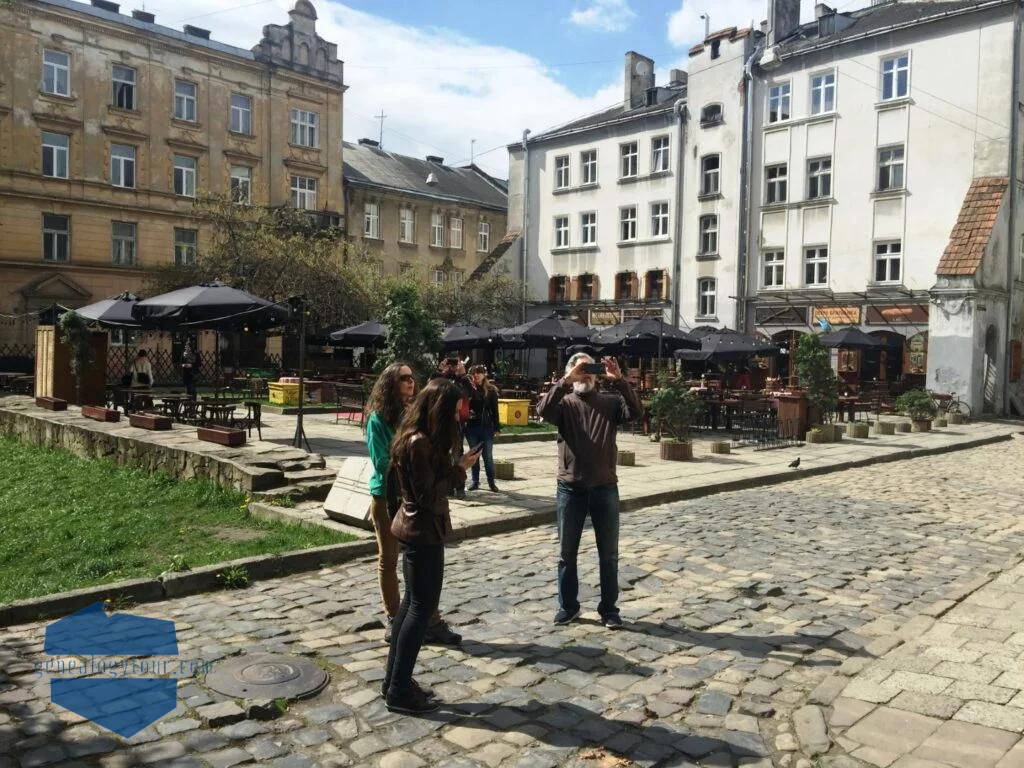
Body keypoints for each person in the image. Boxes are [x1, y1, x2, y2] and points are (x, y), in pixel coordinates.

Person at [383, 379, 482, 714]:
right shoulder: (419, 442)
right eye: (453, 411)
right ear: (439, 409)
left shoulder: (417, 437)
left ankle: (394, 681)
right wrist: (459, 470)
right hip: (421, 532)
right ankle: (399, 690)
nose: (457, 417)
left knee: (411, 606)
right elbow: (427, 495)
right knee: (420, 610)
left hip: (419, 530)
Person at [537, 352, 643, 629]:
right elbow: (542, 410)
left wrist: (619, 380)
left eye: (589, 368)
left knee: (608, 555)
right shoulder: (564, 404)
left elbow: (636, 412)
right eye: (579, 368)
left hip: (604, 487)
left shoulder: (610, 402)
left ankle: (609, 609)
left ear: (597, 374)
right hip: (570, 488)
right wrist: (565, 381)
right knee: (566, 554)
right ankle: (568, 606)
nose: (584, 373)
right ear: (570, 372)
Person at [365, 363, 462, 647]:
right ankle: (394, 616)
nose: (410, 382)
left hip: (414, 497)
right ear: (390, 384)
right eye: (403, 378)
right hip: (387, 496)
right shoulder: (378, 419)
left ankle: (430, 620)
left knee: (420, 566)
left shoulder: (415, 414)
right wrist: (414, 468)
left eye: (411, 378)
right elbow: (381, 462)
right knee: (389, 558)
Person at [431, 358, 473, 499]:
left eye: (454, 365)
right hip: (440, 422)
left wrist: (462, 375)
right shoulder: (440, 378)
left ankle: (459, 487)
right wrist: (440, 370)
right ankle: (448, 487)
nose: (452, 367)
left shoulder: (463, 380)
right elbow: (433, 387)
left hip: (456, 423)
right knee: (443, 455)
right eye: (449, 365)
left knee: (457, 455)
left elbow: (470, 393)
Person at [465, 365, 501, 492]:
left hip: (486, 427)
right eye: (473, 373)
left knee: (487, 456)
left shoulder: (490, 390)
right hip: (472, 427)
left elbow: (495, 410)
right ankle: (475, 482)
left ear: (484, 374)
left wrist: (497, 427)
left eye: (479, 372)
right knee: (474, 456)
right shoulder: (468, 389)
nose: (476, 375)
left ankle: (491, 483)